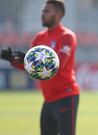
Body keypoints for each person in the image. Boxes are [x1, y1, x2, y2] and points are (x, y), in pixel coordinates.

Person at [0, 0, 80, 135]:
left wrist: (30, 58)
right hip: (48, 99)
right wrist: (12, 59)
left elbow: (57, 65)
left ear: (59, 14)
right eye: (42, 11)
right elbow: (32, 68)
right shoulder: (39, 37)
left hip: (66, 96)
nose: (42, 14)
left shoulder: (67, 36)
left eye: (47, 11)